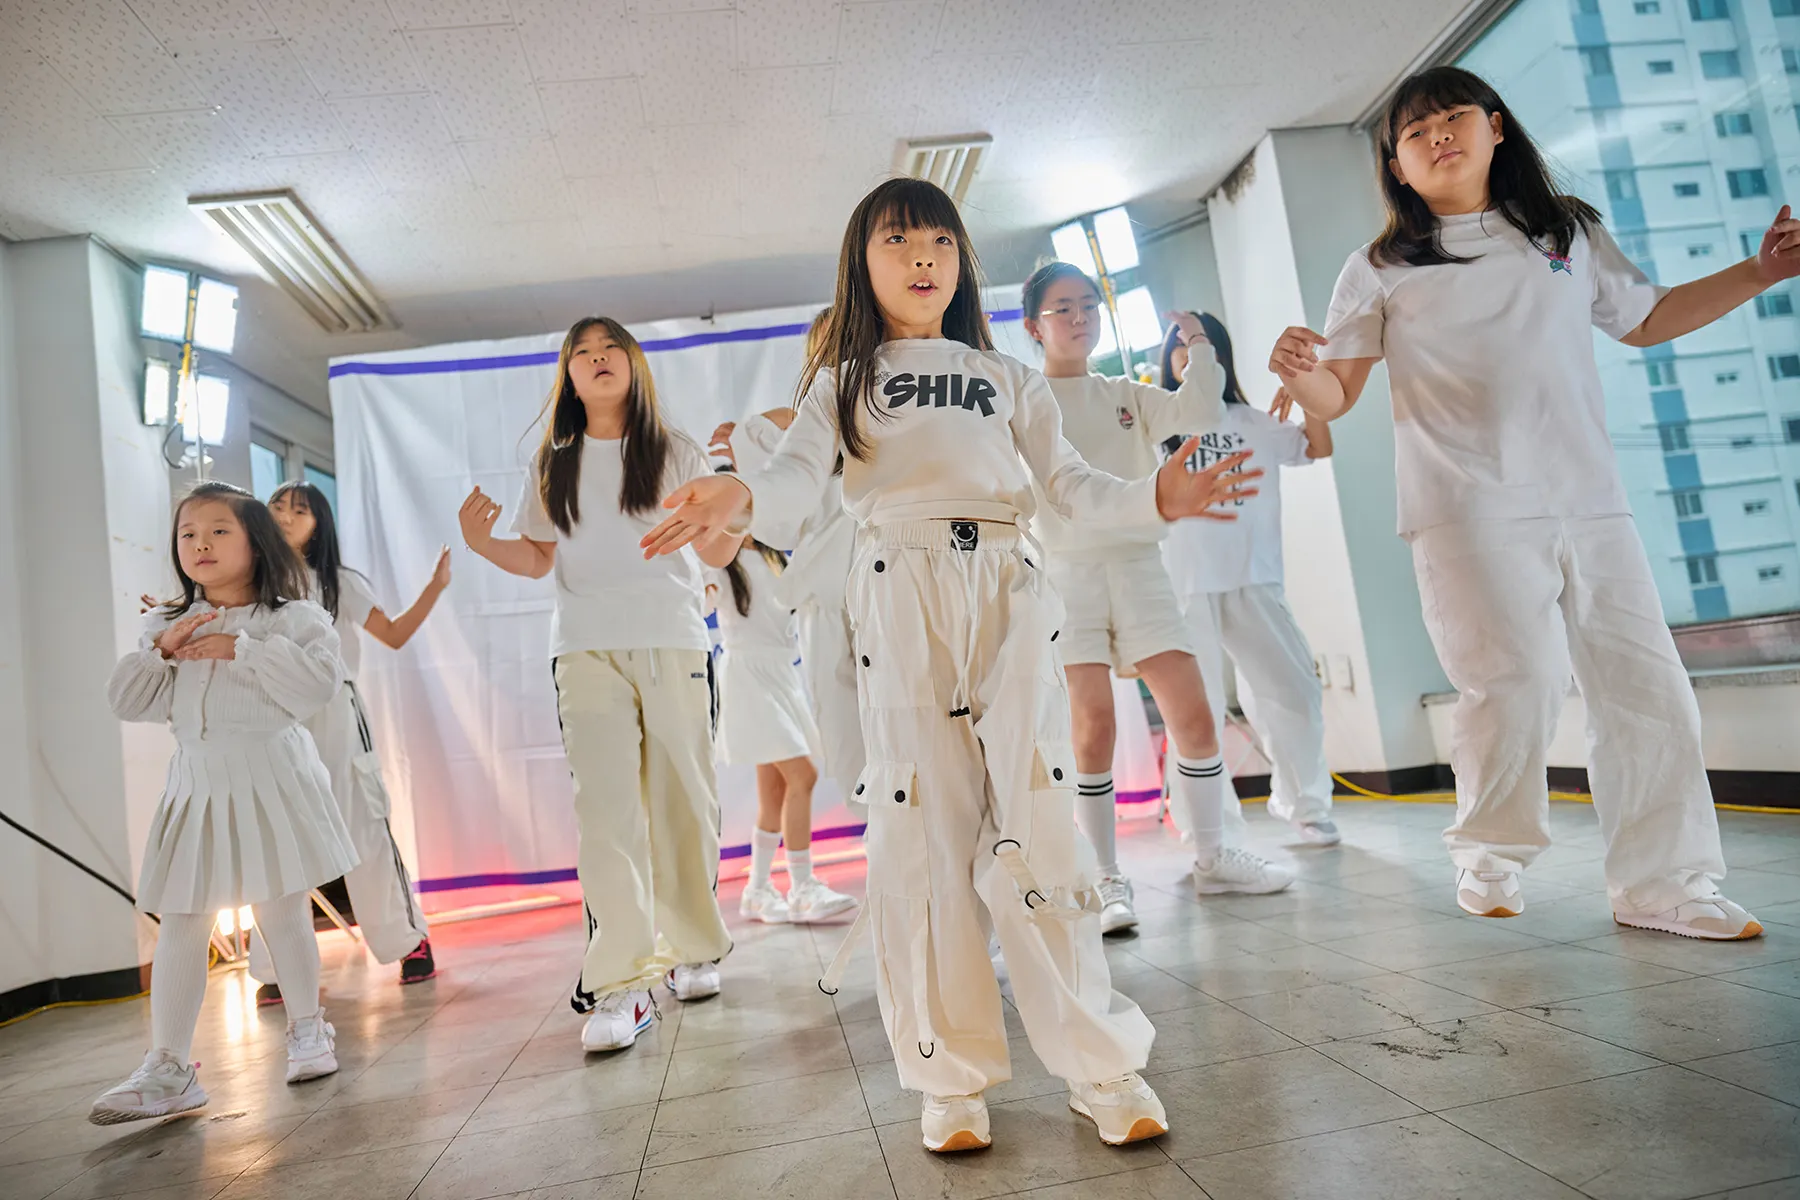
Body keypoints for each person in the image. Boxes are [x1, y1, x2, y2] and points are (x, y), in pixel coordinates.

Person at [639, 178, 1259, 1153]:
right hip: (898, 587)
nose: (922, 256)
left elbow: (1072, 488)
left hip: (1009, 586)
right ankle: (948, 1076)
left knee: (1040, 821)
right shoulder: (843, 381)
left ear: (962, 262)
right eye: (897, 240)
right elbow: (793, 483)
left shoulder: (1007, 376)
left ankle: (1101, 1064)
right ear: (862, 263)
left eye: (938, 239)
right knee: (921, 829)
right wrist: (738, 495)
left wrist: (1156, 499)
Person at [1269, 65, 1787, 939]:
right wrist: (1299, 374)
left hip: (1590, 499)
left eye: (1454, 117)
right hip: (1465, 505)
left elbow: (1647, 318)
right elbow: (1337, 394)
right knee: (1517, 684)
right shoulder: (1381, 266)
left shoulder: (1564, 231)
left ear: (1496, 126)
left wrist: (1760, 272)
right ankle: (1489, 852)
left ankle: (1663, 885)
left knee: (1651, 691)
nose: (1438, 136)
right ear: (1396, 166)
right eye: (1415, 131)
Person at [457, 317, 742, 1053]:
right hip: (585, 651)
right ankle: (621, 985)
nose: (598, 359)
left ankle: (693, 951)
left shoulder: (676, 451)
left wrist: (736, 506)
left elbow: (716, 550)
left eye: (611, 347)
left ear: (635, 363)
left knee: (685, 802)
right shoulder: (553, 462)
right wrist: (483, 544)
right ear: (569, 378)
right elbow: (536, 558)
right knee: (607, 815)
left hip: (674, 642)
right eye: (582, 353)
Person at [1022, 264, 1296, 938]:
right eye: (1063, 308)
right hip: (1067, 575)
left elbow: (1200, 411)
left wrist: (1198, 345)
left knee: (1194, 715)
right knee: (1092, 727)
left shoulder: (1126, 394)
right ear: (1034, 326)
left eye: (1089, 305)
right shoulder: (1026, 403)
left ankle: (1213, 856)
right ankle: (1104, 878)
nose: (1080, 317)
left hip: (1140, 565)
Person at [92, 483, 357, 1124]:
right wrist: (162, 649)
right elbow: (127, 702)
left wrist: (243, 647)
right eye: (188, 534)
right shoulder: (166, 625)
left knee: (280, 906)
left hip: (271, 773)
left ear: (255, 543)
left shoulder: (294, 618)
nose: (200, 544)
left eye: (218, 531)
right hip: (195, 781)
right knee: (183, 916)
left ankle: (308, 1029)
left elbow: (317, 687)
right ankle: (169, 1067)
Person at [241, 482, 445, 1005]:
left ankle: (409, 942)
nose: (286, 516)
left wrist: (435, 586)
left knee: (363, 826)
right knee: (276, 836)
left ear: (319, 523)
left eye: (299, 510)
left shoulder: (338, 581)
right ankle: (276, 968)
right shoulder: (251, 581)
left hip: (335, 712)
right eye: (278, 506)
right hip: (274, 714)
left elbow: (393, 634)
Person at [1159, 313, 1338, 846]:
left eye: (1203, 342)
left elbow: (1317, 446)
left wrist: (1305, 390)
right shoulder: (1156, 421)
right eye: (1181, 344)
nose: (1191, 352)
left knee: (1294, 689)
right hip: (1183, 586)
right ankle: (1207, 828)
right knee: (1196, 709)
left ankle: (1306, 805)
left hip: (1254, 577)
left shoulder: (1252, 422)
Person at [710, 309, 866, 812]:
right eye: (834, 346)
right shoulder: (791, 434)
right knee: (847, 738)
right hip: (827, 603)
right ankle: (883, 843)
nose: (848, 355)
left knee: (915, 725)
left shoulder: (901, 421)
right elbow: (775, 525)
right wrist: (748, 455)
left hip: (897, 593)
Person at [708, 530, 858, 924]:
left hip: (782, 674)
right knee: (803, 775)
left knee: (774, 790)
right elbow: (701, 596)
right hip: (747, 673)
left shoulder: (777, 555)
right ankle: (803, 886)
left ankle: (757, 890)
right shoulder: (720, 557)